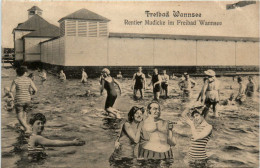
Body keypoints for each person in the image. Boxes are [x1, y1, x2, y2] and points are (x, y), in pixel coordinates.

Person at [10, 66, 38, 133]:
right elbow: (35, 90)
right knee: (24, 114)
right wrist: (32, 94)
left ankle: (26, 128)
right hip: (28, 100)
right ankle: (23, 127)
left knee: (19, 117)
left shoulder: (16, 80)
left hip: (19, 100)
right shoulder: (29, 79)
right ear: (25, 73)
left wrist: (13, 98)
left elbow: (11, 90)